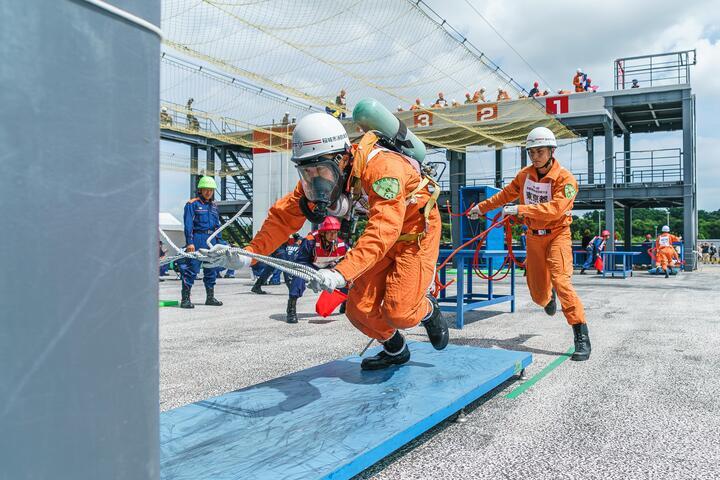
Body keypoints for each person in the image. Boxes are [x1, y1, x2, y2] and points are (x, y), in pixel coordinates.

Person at [204, 112, 448, 370]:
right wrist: (248, 253)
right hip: (385, 237)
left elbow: (383, 229)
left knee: (400, 311)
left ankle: (427, 309)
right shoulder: (323, 176)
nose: (314, 179)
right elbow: (283, 218)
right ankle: (396, 349)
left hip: (415, 235)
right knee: (359, 310)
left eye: (319, 169)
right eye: (307, 171)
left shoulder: (383, 169)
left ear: (341, 158)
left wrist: (341, 272)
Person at [469, 126, 590, 361]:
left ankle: (581, 334)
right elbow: (504, 195)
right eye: (531, 152)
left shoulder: (566, 179)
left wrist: (520, 209)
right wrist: (480, 208)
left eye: (540, 151)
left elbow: (556, 209)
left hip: (558, 234)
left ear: (552, 151)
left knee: (562, 282)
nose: (535, 156)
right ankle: (548, 298)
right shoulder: (524, 175)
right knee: (537, 295)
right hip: (533, 236)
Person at [285, 217, 347, 324]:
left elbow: (348, 259)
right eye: (330, 233)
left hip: (328, 266)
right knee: (299, 276)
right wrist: (313, 274)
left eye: (335, 232)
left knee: (347, 276)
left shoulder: (341, 244)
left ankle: (345, 303)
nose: (333, 236)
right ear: (322, 233)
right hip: (310, 265)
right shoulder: (310, 241)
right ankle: (291, 307)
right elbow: (301, 261)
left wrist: (336, 268)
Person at [179, 176, 225, 308]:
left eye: (211, 190)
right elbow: (188, 225)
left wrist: (220, 242)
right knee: (192, 269)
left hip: (211, 241)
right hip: (197, 239)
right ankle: (185, 299)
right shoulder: (192, 204)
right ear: (200, 189)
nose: (208, 192)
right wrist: (190, 242)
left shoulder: (214, 207)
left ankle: (210, 297)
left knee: (211, 269)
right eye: (206, 189)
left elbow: (217, 226)